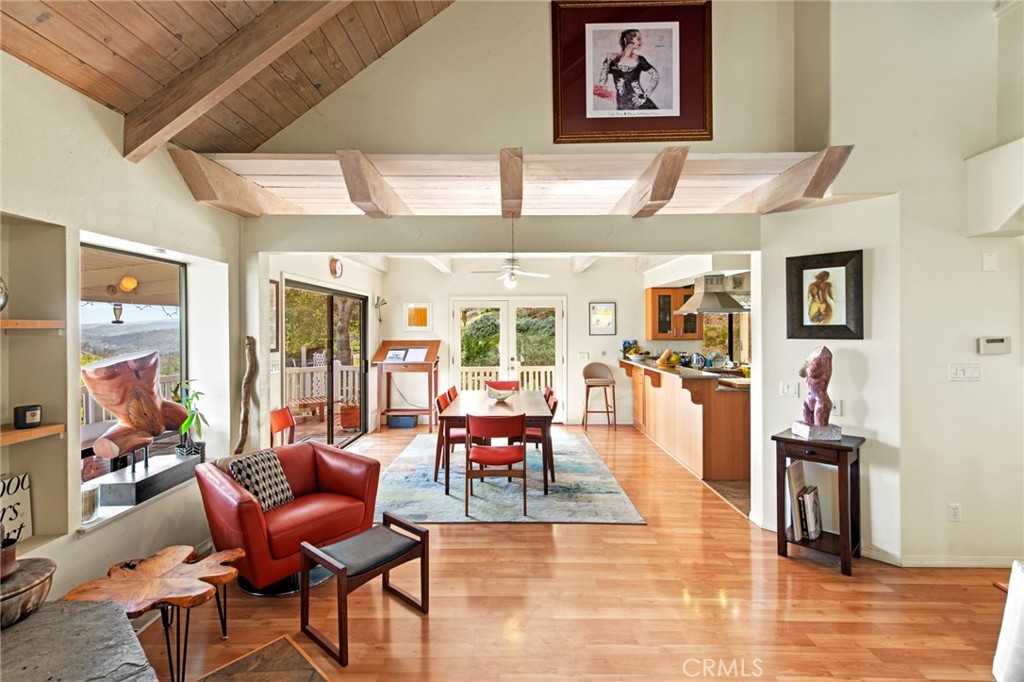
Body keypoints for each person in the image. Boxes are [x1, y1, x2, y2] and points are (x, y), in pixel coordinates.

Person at [594, 29, 660, 110]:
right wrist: (607, 62)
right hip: (623, 106)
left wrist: (645, 96)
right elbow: (602, 83)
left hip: (640, 105)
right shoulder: (612, 58)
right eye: (638, 39)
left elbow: (655, 75)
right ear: (627, 40)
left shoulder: (640, 59)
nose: (641, 42)